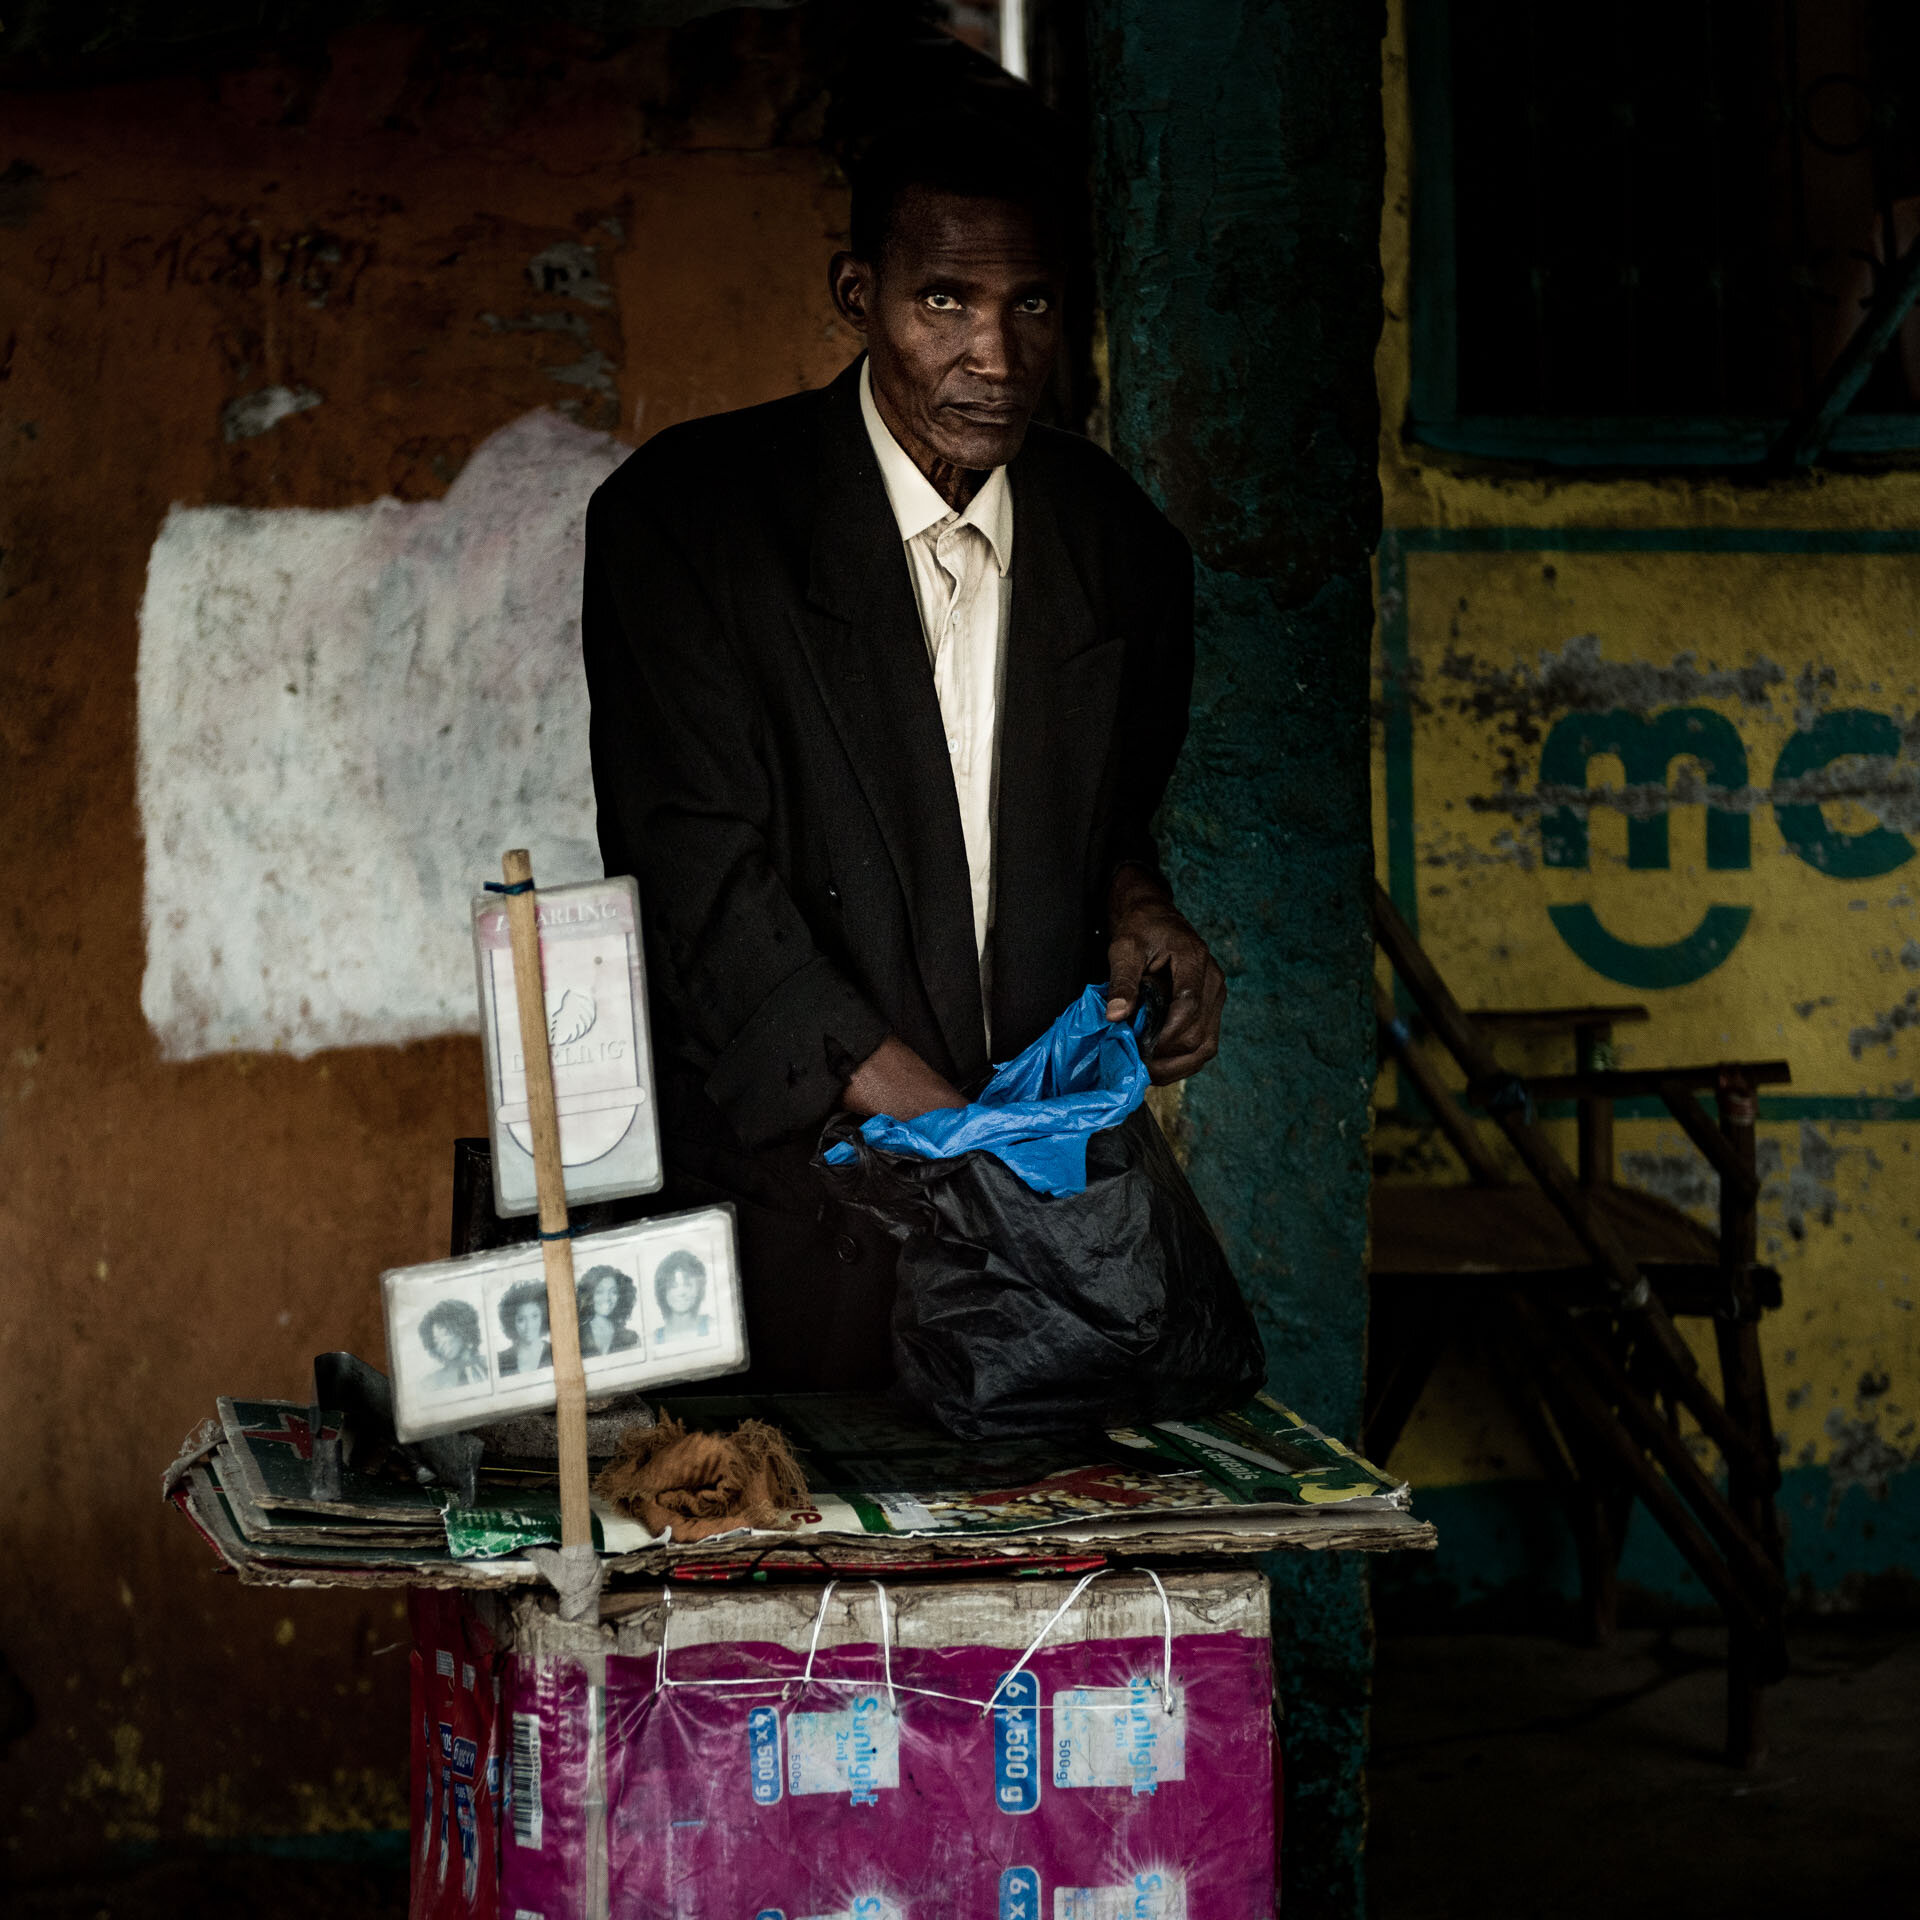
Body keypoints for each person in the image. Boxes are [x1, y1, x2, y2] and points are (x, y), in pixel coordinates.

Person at [583, 109, 1224, 1390]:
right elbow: (705, 893)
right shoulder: (692, 525)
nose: (995, 354)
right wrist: (967, 1141)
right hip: (791, 1231)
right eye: (945, 300)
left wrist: (1142, 910)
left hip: (1039, 1274)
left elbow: (1109, 822)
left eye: (1031, 305)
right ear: (858, 295)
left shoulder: (1120, 551)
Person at [419, 1299, 488, 1391]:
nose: (441, 1343)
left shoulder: (491, 1363)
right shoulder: (430, 1383)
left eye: (445, 1334)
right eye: (435, 1340)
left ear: (463, 1330)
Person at [577, 1264, 641, 1357]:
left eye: (613, 1292)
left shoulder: (631, 1338)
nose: (607, 1298)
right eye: (599, 1291)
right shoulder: (576, 1335)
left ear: (620, 1296)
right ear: (589, 1295)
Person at [651, 1250, 711, 1346]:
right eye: (673, 1286)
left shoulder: (712, 1326)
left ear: (699, 1288)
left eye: (687, 1285)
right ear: (663, 1292)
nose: (681, 1292)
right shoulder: (654, 1340)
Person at [496, 1280, 552, 1376]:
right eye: (521, 1320)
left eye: (534, 1316)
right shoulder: (501, 1360)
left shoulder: (557, 1351)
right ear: (512, 1323)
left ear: (543, 1317)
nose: (529, 1326)